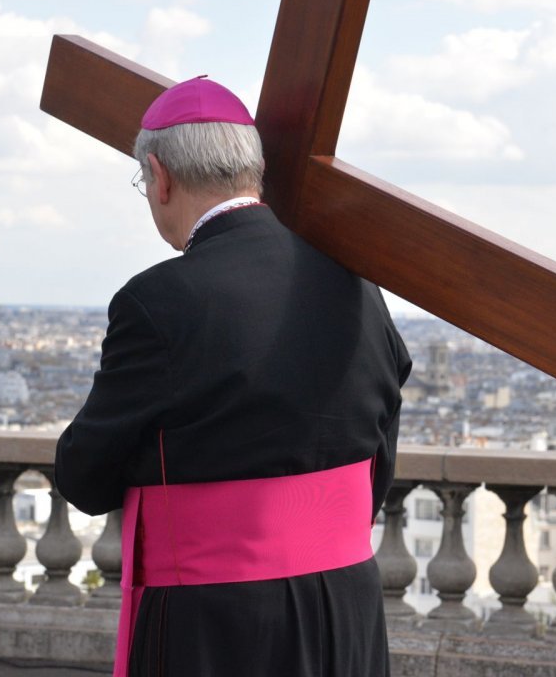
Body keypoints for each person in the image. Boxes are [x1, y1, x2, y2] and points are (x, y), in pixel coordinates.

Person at [55, 76, 411, 677]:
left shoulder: (156, 302)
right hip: (347, 602)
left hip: (221, 619)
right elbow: (380, 444)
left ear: (161, 176)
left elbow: (85, 477)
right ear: (255, 170)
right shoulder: (357, 285)